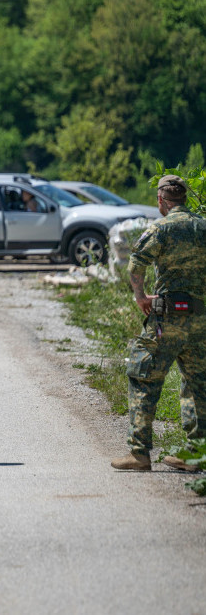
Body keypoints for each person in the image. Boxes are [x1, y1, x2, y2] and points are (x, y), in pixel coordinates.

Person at [111, 175, 206, 472]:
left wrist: (141, 297)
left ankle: (139, 453)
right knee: (197, 384)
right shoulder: (202, 227)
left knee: (143, 377)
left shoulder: (159, 228)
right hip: (201, 319)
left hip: (167, 319)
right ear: (185, 199)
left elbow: (136, 265)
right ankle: (196, 453)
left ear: (161, 201)